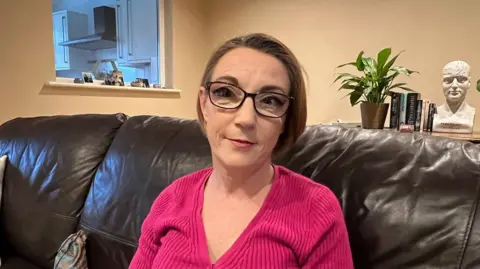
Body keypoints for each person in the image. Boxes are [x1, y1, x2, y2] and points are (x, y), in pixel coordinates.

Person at [129, 33, 354, 268]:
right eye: (225, 93)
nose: (246, 119)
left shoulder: (317, 209)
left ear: (286, 119)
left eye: (270, 101)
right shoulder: (171, 199)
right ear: (204, 104)